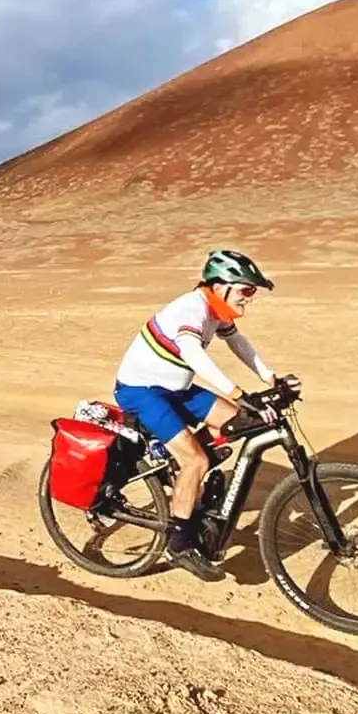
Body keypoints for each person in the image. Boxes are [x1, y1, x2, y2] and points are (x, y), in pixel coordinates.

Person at [111, 249, 281, 582]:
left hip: (174, 387)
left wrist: (270, 377)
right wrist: (238, 393)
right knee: (196, 462)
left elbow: (238, 343)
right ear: (221, 286)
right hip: (142, 391)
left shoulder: (217, 309)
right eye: (246, 290)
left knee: (243, 421)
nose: (251, 298)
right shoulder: (191, 309)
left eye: (253, 291)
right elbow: (195, 358)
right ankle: (179, 545)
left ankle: (187, 478)